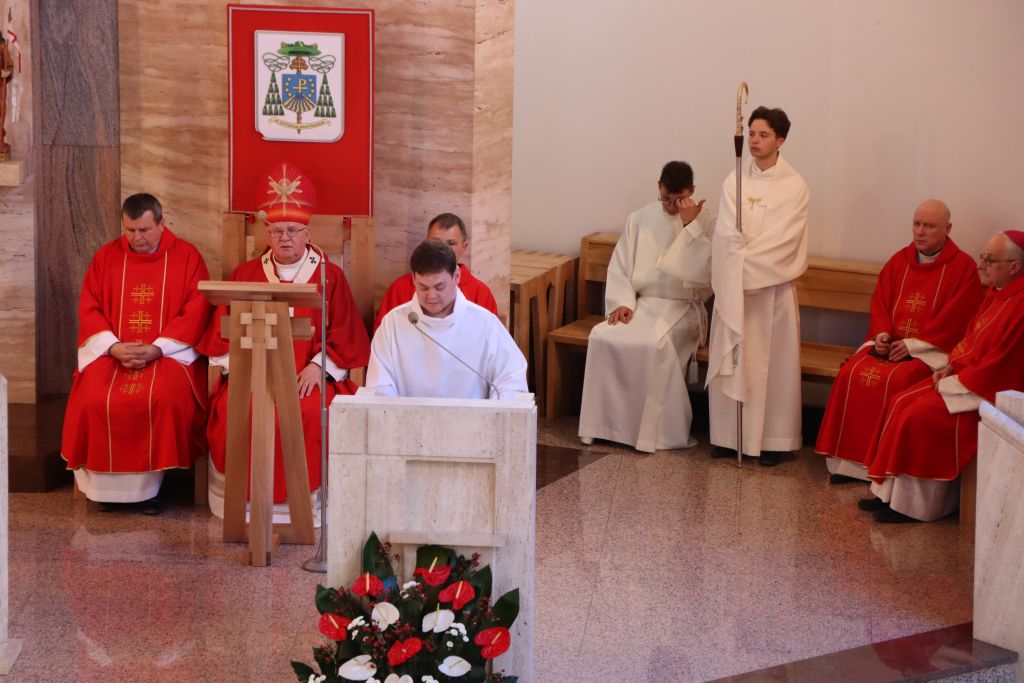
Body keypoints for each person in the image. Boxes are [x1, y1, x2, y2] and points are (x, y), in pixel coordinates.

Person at [201, 161, 370, 521]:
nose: (285, 238)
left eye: (293, 230)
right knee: (236, 411)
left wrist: (318, 367)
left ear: (308, 232)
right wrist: (243, 370)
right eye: (277, 231)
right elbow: (221, 336)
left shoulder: (329, 276)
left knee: (309, 414)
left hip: (305, 379)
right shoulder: (246, 275)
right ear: (267, 232)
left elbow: (346, 334)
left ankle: (303, 507)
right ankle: (245, 507)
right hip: (253, 376)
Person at [61, 193, 212, 513]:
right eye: (129, 230)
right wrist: (113, 347)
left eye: (144, 230)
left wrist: (158, 348)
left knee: (163, 397)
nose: (136, 238)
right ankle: (102, 490)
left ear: (161, 224)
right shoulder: (106, 257)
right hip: (114, 353)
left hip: (167, 353)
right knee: (93, 398)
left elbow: (198, 309)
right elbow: (89, 308)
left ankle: (151, 491)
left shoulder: (187, 256)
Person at [858, 230, 1024, 522]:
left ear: (1015, 266)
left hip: (986, 391)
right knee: (899, 401)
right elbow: (971, 339)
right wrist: (951, 366)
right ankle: (888, 495)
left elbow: (1002, 363)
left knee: (917, 415)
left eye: (989, 260)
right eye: (983, 258)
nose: (982, 265)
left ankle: (914, 507)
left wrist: (961, 378)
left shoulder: (1020, 306)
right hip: (968, 377)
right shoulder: (998, 293)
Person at [815, 199, 983, 481]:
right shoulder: (899, 261)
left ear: (947, 228)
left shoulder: (963, 268)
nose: (920, 231)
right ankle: (848, 465)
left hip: (928, 352)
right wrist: (881, 335)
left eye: (929, 226)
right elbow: (881, 302)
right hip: (890, 345)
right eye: (917, 224)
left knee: (898, 380)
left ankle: (878, 467)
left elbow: (956, 318)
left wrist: (914, 345)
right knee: (850, 373)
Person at [577, 161, 712, 452]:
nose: (671, 206)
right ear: (659, 187)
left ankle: (653, 434)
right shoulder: (639, 219)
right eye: (666, 199)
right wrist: (623, 301)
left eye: (679, 200)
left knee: (654, 343)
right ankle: (603, 426)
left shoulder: (706, 221)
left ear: (691, 191)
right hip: (643, 304)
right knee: (603, 335)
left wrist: (690, 226)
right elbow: (621, 265)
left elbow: (704, 274)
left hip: (684, 307)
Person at [706, 106, 809, 467]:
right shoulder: (733, 180)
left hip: (771, 291)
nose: (754, 140)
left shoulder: (794, 186)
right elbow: (724, 235)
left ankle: (772, 441)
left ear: (781, 140)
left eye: (763, 135)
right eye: (751, 133)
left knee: (772, 368)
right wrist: (735, 263)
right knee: (735, 359)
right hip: (735, 291)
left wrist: (743, 266)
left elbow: (786, 241)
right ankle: (726, 436)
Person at [366, 239, 527, 399]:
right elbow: (380, 387)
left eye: (439, 287)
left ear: (456, 276)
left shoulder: (484, 323)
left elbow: (510, 381)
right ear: (414, 279)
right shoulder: (393, 323)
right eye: (423, 287)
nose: (431, 296)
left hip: (470, 416)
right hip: (406, 415)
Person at [373, 212, 498, 331]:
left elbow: (491, 338)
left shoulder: (480, 293)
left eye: (451, 243)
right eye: (436, 242)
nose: (443, 249)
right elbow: (384, 335)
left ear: (464, 247)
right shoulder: (400, 288)